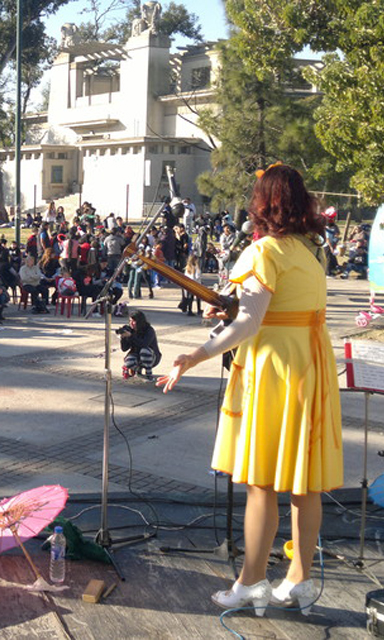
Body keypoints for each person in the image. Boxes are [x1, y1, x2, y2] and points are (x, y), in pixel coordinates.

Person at [158, 163, 342, 617]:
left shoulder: (264, 253)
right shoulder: (311, 249)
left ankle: (252, 581)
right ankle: (298, 579)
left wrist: (195, 355)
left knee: (261, 483)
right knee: (305, 484)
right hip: (311, 364)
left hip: (275, 370)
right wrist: (233, 316)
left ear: (263, 204)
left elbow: (249, 322)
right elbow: (273, 310)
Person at [118, 310, 161, 380]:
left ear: (139, 321)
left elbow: (144, 344)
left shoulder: (149, 330)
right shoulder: (130, 330)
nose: (131, 323)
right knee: (129, 362)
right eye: (130, 321)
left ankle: (148, 373)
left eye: (133, 321)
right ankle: (137, 369)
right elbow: (124, 349)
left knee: (144, 351)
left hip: (152, 356)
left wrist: (131, 336)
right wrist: (123, 338)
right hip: (137, 355)